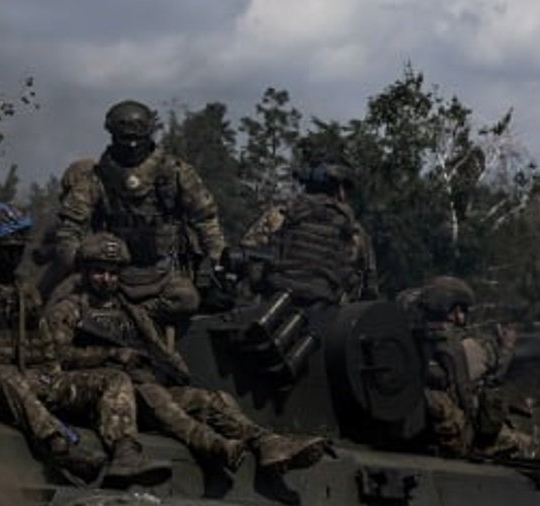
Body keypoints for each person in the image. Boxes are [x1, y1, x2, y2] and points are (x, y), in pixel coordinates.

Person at [0, 202, 170, 486]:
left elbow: (45, 347)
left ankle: (125, 452)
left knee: (114, 378)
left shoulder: (25, 291)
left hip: (27, 378)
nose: (13, 257)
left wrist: (56, 383)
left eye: (18, 250)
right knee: (4, 375)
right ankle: (60, 448)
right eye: (6, 249)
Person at [43, 232, 329, 476]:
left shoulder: (131, 312)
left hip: (144, 386)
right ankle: (217, 447)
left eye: (113, 273)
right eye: (99, 271)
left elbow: (158, 349)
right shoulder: (69, 309)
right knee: (156, 399)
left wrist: (170, 366)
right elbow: (57, 358)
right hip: (102, 394)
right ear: (84, 271)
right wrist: (112, 355)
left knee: (210, 400)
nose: (106, 279)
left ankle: (266, 442)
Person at [47, 99, 226, 322]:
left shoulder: (174, 172)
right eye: (125, 139)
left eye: (137, 139)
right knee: (59, 303)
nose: (131, 146)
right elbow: (70, 226)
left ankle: (133, 318)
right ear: (113, 135)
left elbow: (205, 219)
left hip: (165, 273)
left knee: (187, 299)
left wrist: (218, 261)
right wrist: (79, 263)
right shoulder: (97, 178)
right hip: (109, 275)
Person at [408, 276, 535, 459]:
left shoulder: (413, 341)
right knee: (523, 444)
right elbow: (469, 420)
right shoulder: (455, 351)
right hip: (457, 443)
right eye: (460, 310)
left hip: (426, 436)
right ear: (450, 310)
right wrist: (504, 354)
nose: (462, 318)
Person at [241, 149, 378, 306]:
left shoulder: (280, 217)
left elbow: (245, 257)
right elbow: (369, 291)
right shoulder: (355, 232)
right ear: (340, 189)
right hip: (327, 313)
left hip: (273, 306)